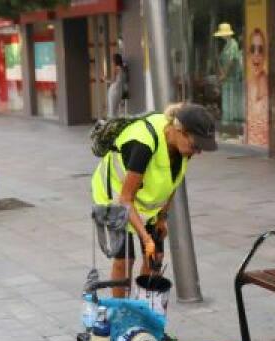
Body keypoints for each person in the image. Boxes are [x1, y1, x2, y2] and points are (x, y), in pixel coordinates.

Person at [90, 103, 219, 297]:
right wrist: (145, 237)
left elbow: (172, 183)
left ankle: (145, 310)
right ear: (179, 130)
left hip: (144, 202)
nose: (197, 152)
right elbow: (125, 199)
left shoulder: (183, 148)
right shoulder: (143, 144)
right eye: (195, 145)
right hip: (115, 195)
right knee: (125, 259)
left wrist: (162, 218)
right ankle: (120, 313)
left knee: (155, 257)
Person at [106, 53, 126, 118]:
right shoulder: (123, 69)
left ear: (115, 61)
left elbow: (112, 80)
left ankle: (112, 125)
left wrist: (105, 79)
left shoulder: (115, 69)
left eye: (112, 60)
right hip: (120, 91)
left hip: (114, 90)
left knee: (112, 111)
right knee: (116, 110)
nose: (112, 62)